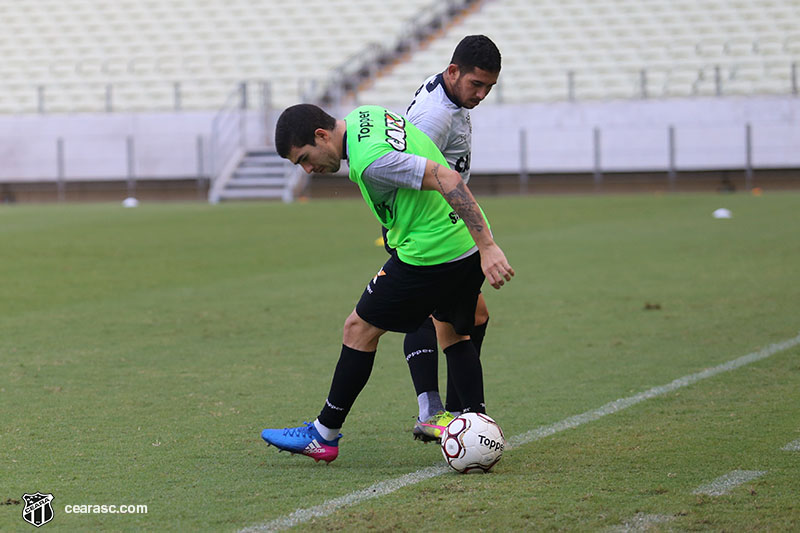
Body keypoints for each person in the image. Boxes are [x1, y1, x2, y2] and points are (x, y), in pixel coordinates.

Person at [260, 103, 514, 463]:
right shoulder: (368, 114)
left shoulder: (369, 160)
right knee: (455, 332)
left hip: (431, 252)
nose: (308, 169)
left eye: (305, 157)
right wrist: (480, 245)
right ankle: (479, 428)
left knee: (358, 329)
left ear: (321, 135)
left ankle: (324, 434)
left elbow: (448, 179)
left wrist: (489, 246)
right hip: (461, 245)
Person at [399, 34, 501, 442]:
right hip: (432, 228)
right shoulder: (435, 118)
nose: (481, 95)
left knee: (474, 317)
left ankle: (457, 416)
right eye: (476, 85)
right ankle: (444, 416)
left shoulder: (449, 93)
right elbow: (409, 176)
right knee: (437, 318)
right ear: (453, 71)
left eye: (489, 88)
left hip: (447, 223)